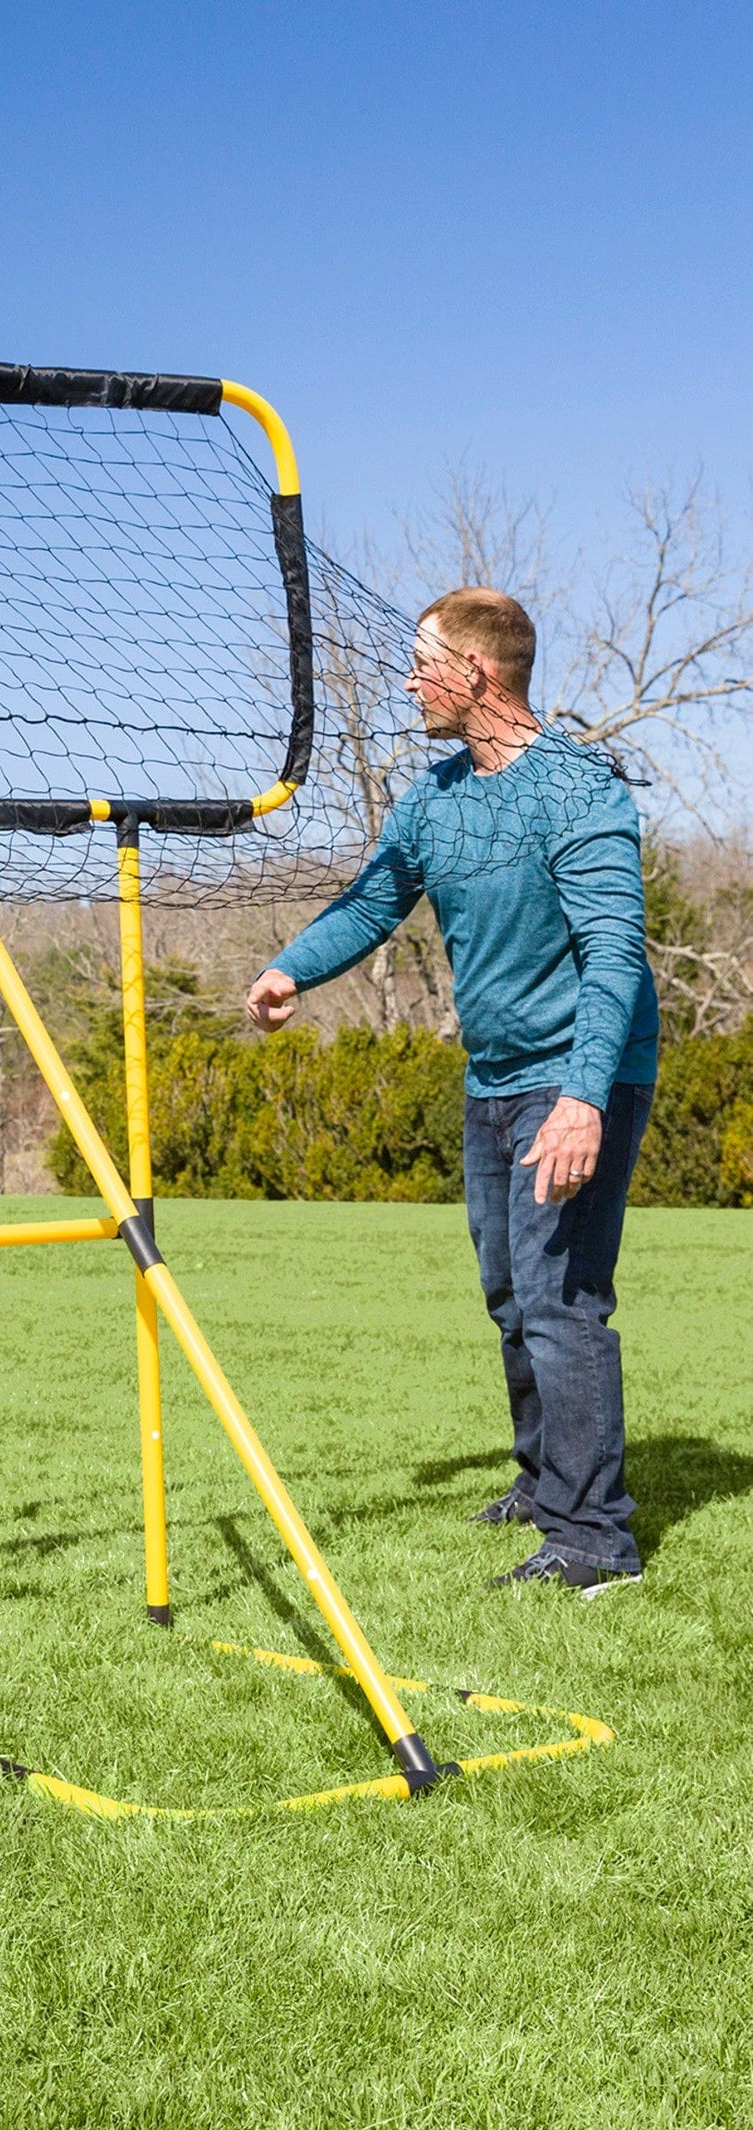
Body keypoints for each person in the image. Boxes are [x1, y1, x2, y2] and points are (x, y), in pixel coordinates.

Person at [246, 588, 658, 1596]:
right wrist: (290, 967)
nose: (406, 680)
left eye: (421, 662)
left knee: (561, 1298)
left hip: (577, 1076)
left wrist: (581, 1099)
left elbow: (612, 950)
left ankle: (594, 1540)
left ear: (476, 672)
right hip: (491, 1080)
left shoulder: (578, 790)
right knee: (509, 1294)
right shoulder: (432, 798)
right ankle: (542, 1479)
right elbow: (374, 900)